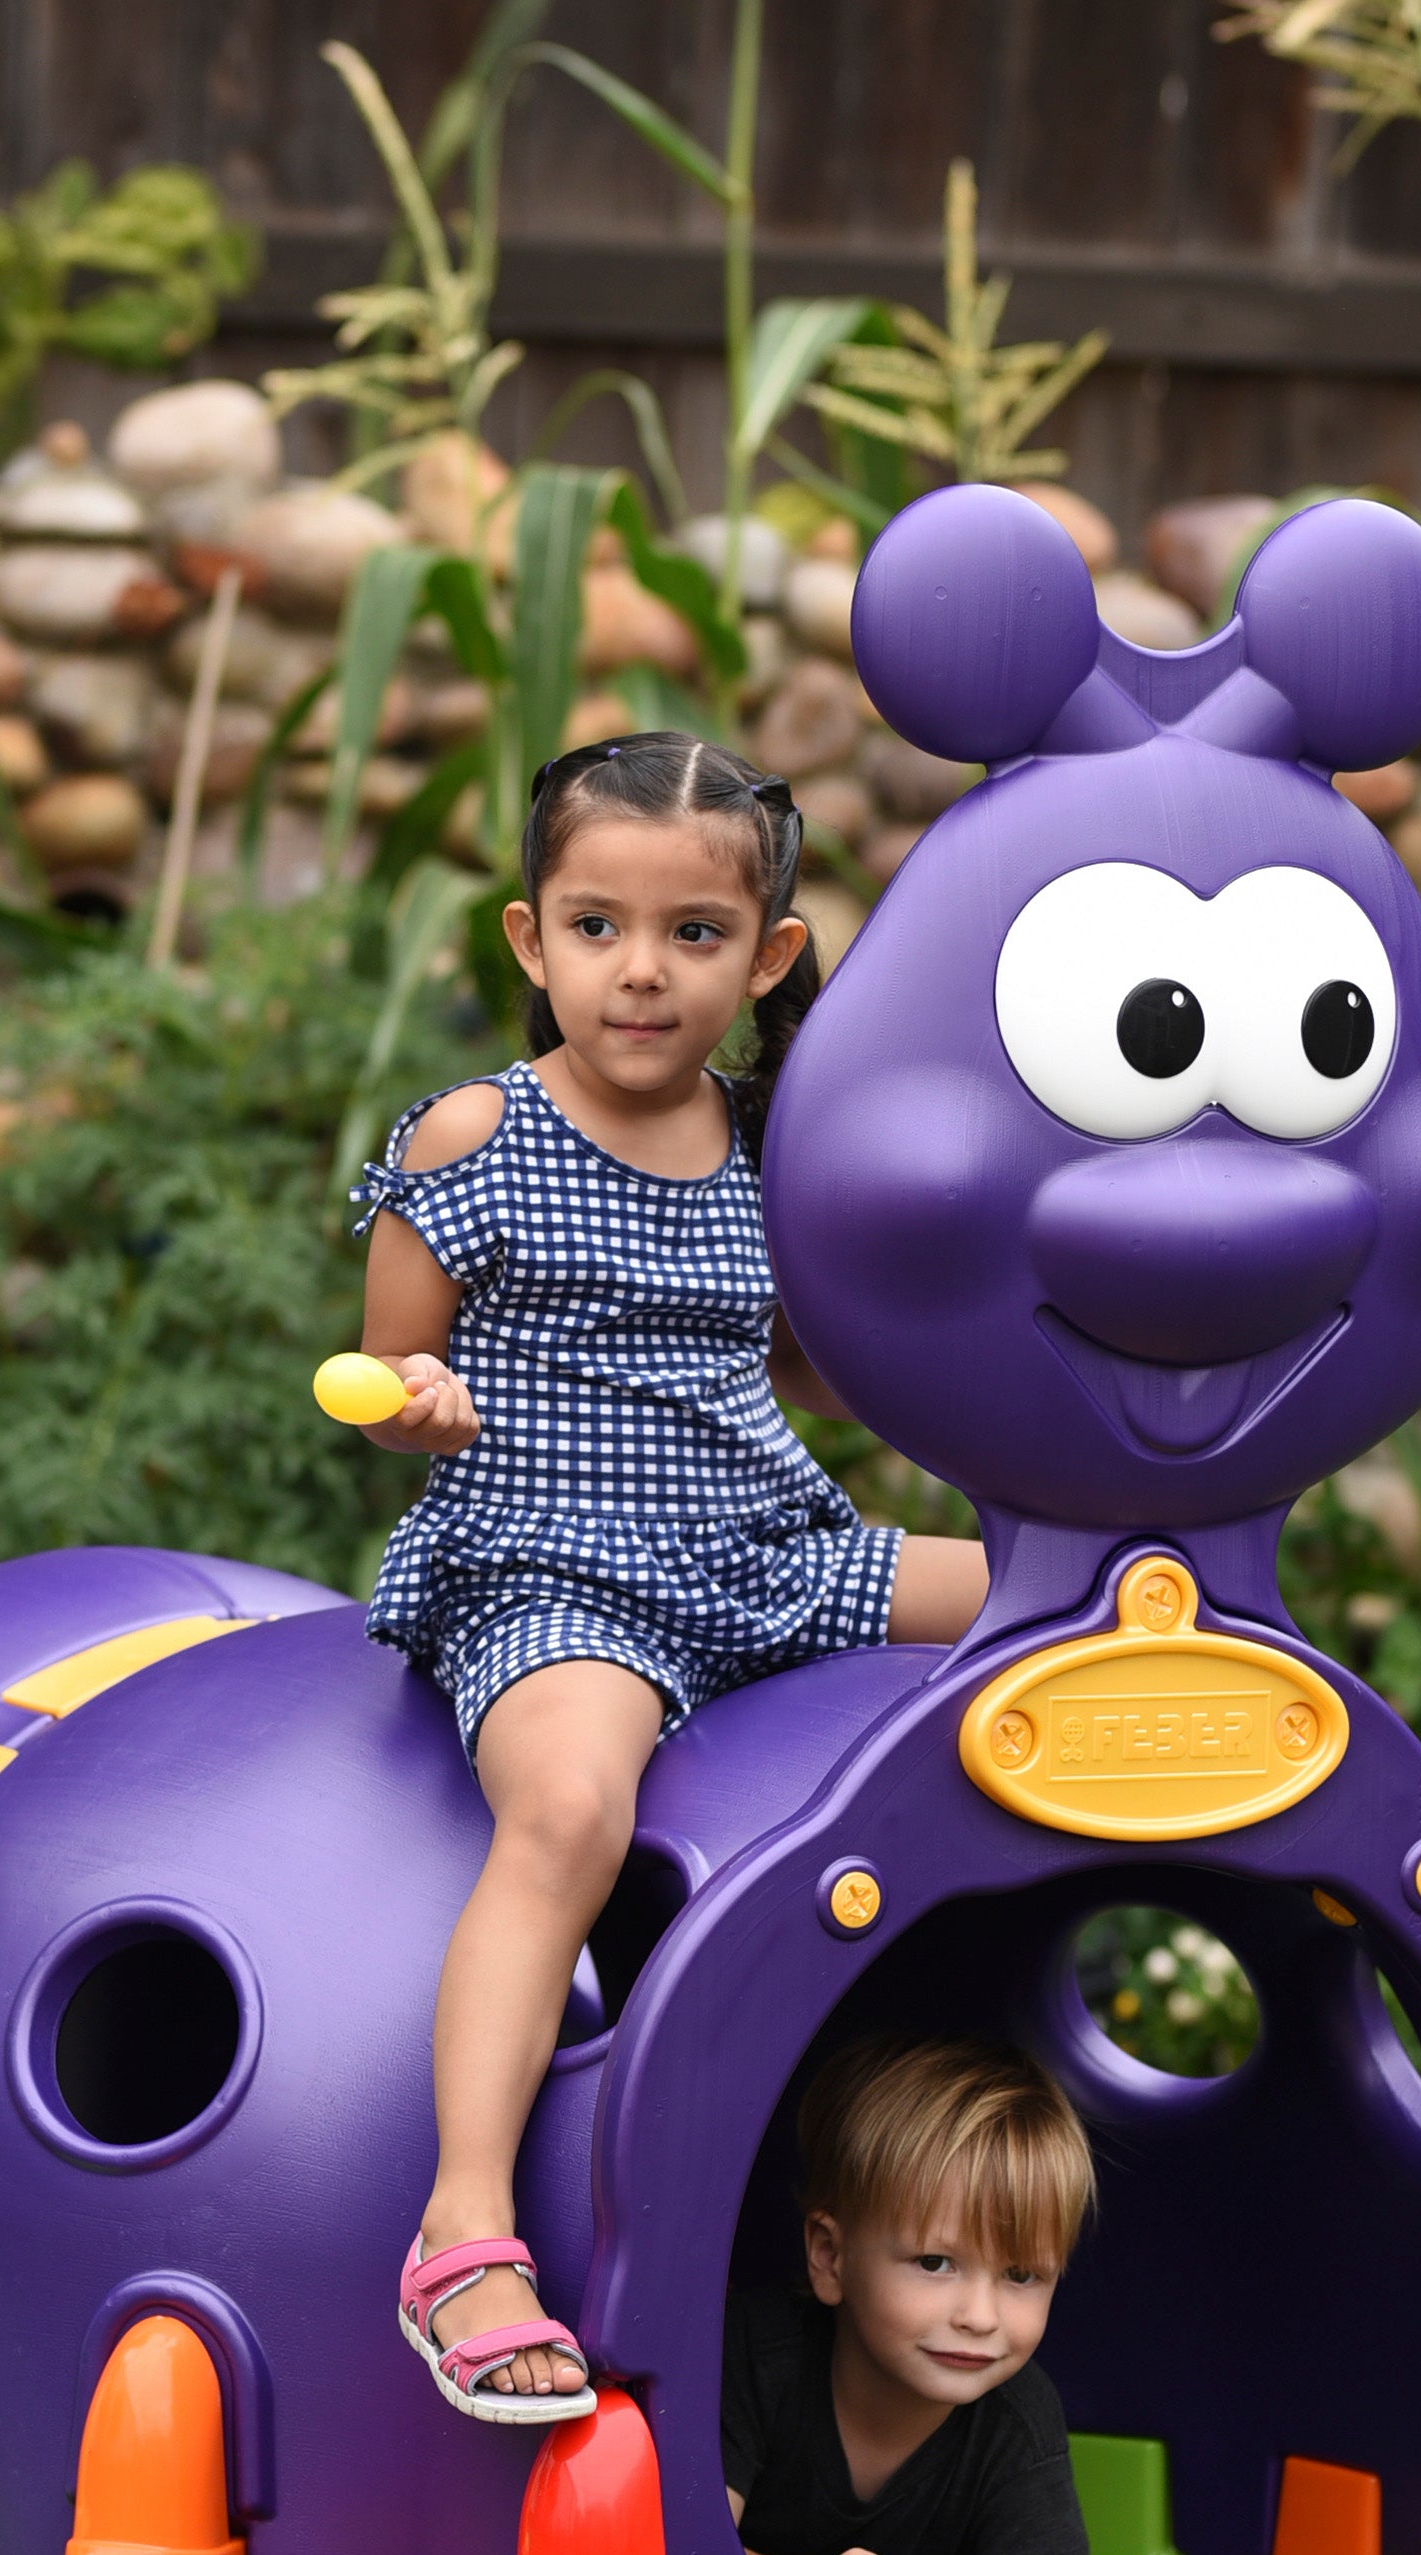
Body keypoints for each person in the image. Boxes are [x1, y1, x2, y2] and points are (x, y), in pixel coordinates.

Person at [353, 732, 988, 2422]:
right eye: (597, 926)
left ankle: (1405, 1827)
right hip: (557, 1562)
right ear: (529, 937)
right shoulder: (471, 1135)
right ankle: (464, 2234)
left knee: (1051, 1602)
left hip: (767, 1551)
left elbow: (829, 1373)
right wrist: (425, 1405)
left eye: (693, 934)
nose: (641, 971)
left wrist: (971, 1329)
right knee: (569, 1814)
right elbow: (388, 1376)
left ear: (767, 957)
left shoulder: (781, 1152)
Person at [725, 2036, 1096, 2555]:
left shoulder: (1019, 2417)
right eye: (934, 2262)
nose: (979, 2316)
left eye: (1020, 2275)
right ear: (831, 2257)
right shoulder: (752, 2355)